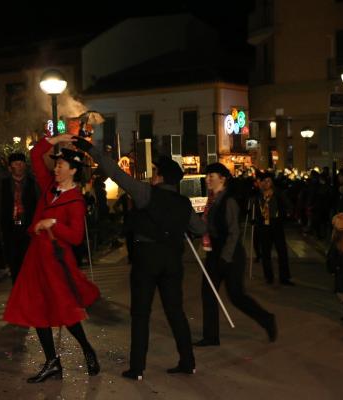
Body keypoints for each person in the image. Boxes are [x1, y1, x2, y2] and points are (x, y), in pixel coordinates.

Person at [72, 136, 204, 381]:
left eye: (155, 172)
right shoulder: (184, 204)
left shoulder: (145, 193)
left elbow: (114, 172)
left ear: (161, 177)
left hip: (147, 259)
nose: (152, 175)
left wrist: (89, 148)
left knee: (141, 314)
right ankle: (188, 362)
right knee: (176, 312)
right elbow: (199, 229)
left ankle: (138, 368)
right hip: (173, 261)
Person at [3, 136, 100, 383]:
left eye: (60, 165)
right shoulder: (48, 187)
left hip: (57, 262)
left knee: (66, 311)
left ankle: (87, 348)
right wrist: (56, 139)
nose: (55, 168)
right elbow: (36, 155)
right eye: (55, 164)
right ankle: (52, 362)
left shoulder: (76, 200)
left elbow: (76, 237)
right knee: (37, 309)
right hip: (36, 257)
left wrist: (52, 223)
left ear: (73, 170)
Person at [195, 162, 277, 347]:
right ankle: (211, 336)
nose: (207, 179)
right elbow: (208, 226)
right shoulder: (212, 199)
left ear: (222, 179)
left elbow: (234, 232)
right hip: (214, 252)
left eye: (211, 176)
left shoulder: (228, 201)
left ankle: (267, 319)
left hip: (229, 254)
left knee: (236, 296)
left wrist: (225, 258)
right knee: (208, 294)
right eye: (206, 176)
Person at [0, 153, 38, 283]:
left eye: (21, 163)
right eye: (16, 163)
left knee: (28, 263)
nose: (19, 166)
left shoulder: (32, 182)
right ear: (10, 167)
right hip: (10, 228)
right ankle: (18, 292)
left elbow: (39, 204)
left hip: (28, 228)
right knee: (14, 263)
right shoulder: (3, 184)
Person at [252, 171, 293, 285]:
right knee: (266, 253)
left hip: (276, 224)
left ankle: (284, 277)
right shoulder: (259, 195)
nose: (266, 183)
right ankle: (269, 277)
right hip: (264, 225)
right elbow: (255, 209)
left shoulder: (278, 193)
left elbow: (288, 204)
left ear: (272, 182)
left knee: (282, 252)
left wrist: (287, 213)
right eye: (265, 181)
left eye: (269, 181)